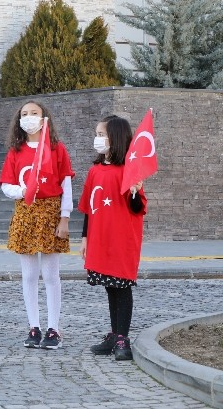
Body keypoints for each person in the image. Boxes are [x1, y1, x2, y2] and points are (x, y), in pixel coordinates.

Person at [0, 101, 74, 350]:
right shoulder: (15, 151)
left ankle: (54, 327)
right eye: (24, 114)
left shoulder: (56, 149)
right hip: (25, 211)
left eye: (34, 113)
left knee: (51, 274)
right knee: (29, 275)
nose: (29, 117)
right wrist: (23, 190)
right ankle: (34, 326)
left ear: (44, 119)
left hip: (51, 212)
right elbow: (5, 184)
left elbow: (66, 184)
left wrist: (65, 217)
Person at [79, 114, 147, 362]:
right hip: (101, 239)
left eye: (101, 135)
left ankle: (122, 337)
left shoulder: (129, 171)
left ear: (115, 139)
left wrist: (135, 191)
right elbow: (88, 207)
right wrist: (85, 237)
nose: (97, 139)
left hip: (121, 240)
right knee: (110, 287)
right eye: (96, 134)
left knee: (122, 288)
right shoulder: (95, 170)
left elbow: (137, 208)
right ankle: (114, 333)